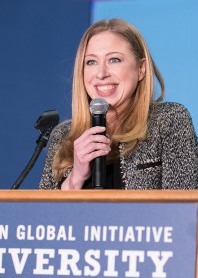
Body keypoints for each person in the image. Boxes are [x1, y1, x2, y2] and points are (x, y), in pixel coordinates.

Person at [39, 18, 198, 190]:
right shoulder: (63, 136)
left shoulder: (169, 120)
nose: (101, 74)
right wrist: (75, 178)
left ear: (141, 69)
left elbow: (182, 208)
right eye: (91, 62)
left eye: (114, 60)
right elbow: (43, 215)